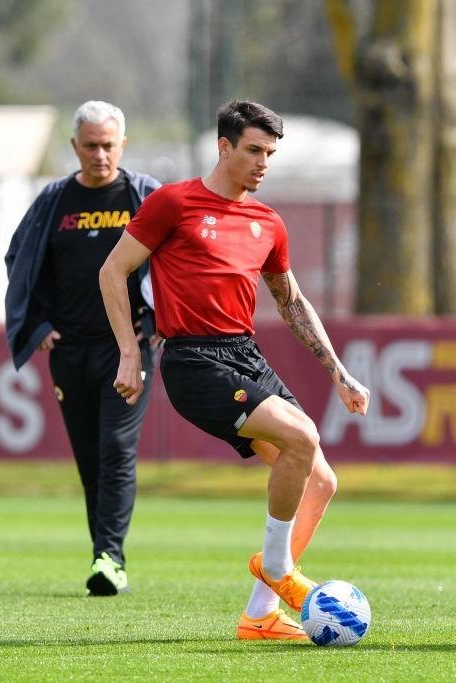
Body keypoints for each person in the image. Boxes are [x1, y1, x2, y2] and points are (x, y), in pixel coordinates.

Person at [99, 100, 370, 640]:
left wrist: (338, 371)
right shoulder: (172, 203)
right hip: (193, 360)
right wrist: (130, 351)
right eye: (253, 150)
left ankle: (260, 614)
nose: (263, 162)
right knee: (302, 435)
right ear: (224, 147)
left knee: (321, 480)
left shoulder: (268, 222)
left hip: (244, 354)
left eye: (270, 153)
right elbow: (113, 270)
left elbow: (290, 302)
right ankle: (277, 567)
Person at [4, 101, 161, 596]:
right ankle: (105, 556)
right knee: (90, 458)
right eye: (90, 145)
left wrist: (159, 319)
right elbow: (22, 259)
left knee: (117, 448)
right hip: (70, 352)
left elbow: (181, 260)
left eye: (108, 144)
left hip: (127, 350)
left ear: (123, 145)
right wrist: (38, 323)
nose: (99, 154)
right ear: (74, 147)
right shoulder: (54, 201)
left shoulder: (144, 198)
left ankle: (109, 557)